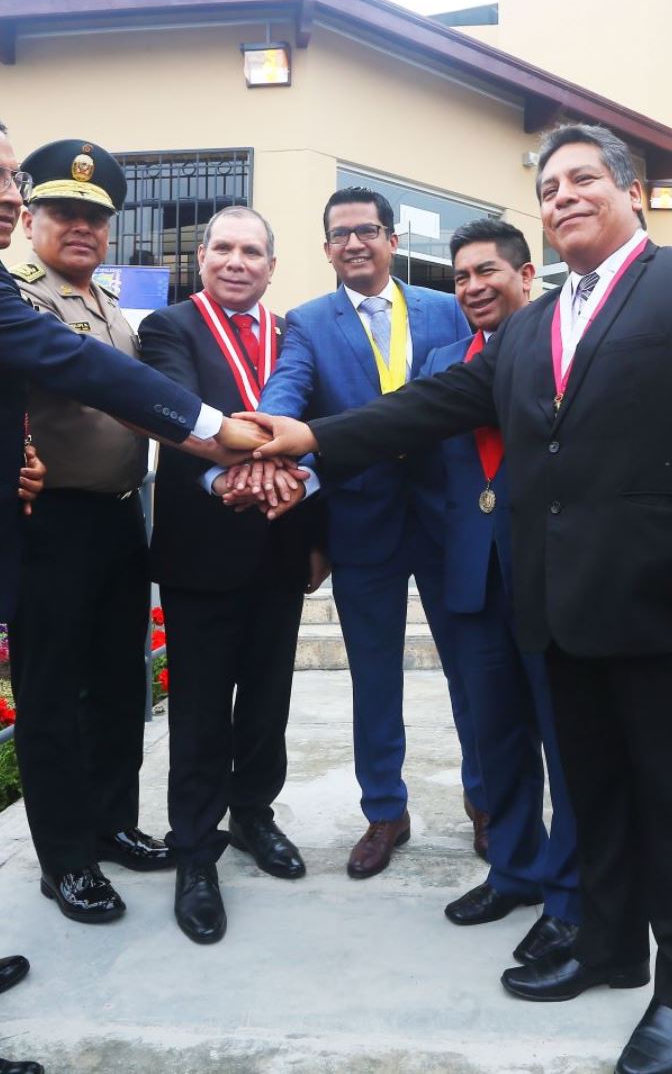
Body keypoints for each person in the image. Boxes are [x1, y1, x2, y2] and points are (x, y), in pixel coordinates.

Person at [245, 125, 672, 1074]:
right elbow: (429, 409)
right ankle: (613, 948)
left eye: (585, 178)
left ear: (631, 191)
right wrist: (307, 438)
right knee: (601, 795)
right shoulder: (532, 328)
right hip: (564, 610)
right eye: (550, 186)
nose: (565, 194)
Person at [0, 101, 265, 1074]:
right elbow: (61, 360)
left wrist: (7, 453)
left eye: (9, 177)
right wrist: (213, 429)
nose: (6, 194)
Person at [254, 186, 484, 879]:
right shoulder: (309, 322)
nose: (354, 243)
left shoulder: (449, 310)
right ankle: (385, 812)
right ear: (326, 250)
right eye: (340, 235)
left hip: (451, 524)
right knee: (374, 678)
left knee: (472, 673)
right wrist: (265, 437)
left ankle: (488, 805)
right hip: (363, 527)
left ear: (391, 240)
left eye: (367, 231)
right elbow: (287, 393)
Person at [137, 205, 326, 944]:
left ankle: (253, 813)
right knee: (202, 708)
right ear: (202, 258)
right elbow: (179, 416)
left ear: (273, 266)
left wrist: (307, 511)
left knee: (268, 700)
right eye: (223, 248)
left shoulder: (296, 335)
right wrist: (234, 480)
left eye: (252, 250)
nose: (237, 261)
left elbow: (315, 422)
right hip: (202, 549)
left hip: (281, 544)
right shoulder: (170, 330)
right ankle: (195, 850)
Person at [6, 138, 174, 927]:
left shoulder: (108, 303)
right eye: (65, 213)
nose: (82, 229)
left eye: (95, 218)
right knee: (52, 696)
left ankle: (111, 823)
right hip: (54, 524)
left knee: (117, 684)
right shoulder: (14, 293)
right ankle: (65, 858)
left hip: (118, 517)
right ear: (31, 217)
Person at [423, 219, 581, 968]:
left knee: (567, 740)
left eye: (487, 271)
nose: (473, 286)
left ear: (526, 276)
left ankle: (570, 895)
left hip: (552, 578)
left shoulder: (567, 349)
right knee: (497, 738)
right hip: (472, 578)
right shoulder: (442, 360)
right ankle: (513, 870)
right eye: (460, 277)